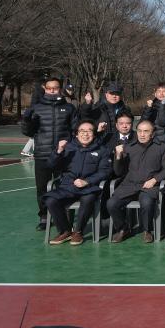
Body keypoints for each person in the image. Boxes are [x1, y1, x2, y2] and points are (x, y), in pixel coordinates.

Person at [21, 77, 77, 230]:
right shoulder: (36, 108)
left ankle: (65, 216)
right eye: (49, 88)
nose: (53, 91)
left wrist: (70, 147)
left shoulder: (69, 108)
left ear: (60, 89)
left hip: (64, 156)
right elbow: (28, 132)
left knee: (65, 186)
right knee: (42, 188)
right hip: (42, 155)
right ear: (44, 89)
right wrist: (26, 119)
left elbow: (75, 130)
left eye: (56, 88)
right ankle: (44, 217)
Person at [44, 120, 111, 246]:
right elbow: (51, 166)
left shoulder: (102, 150)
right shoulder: (68, 147)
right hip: (67, 186)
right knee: (50, 200)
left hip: (89, 188)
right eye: (82, 131)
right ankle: (65, 231)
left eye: (89, 131)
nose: (86, 134)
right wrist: (58, 151)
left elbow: (105, 172)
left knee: (88, 199)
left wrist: (87, 181)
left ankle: (78, 231)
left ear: (94, 134)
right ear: (76, 134)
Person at [108, 120, 165, 244]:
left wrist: (154, 180)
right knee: (111, 203)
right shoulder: (129, 147)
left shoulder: (162, 147)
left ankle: (147, 230)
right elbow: (118, 172)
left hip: (149, 185)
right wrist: (118, 156)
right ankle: (123, 228)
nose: (142, 134)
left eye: (146, 131)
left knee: (147, 203)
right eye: (140, 131)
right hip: (129, 184)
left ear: (152, 134)